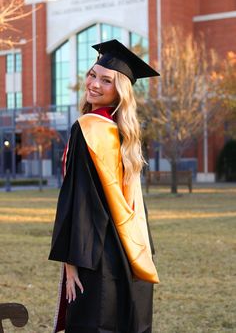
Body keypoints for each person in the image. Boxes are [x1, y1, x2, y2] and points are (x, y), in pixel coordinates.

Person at [49, 39, 160, 333]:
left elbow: (80, 199)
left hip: (96, 258)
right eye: (92, 74)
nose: (94, 84)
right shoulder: (125, 132)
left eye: (106, 80)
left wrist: (70, 263)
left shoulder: (87, 128)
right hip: (131, 255)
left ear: (119, 91)